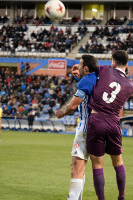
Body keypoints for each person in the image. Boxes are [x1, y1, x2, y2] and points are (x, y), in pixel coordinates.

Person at [86, 50, 133, 200]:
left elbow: (91, 67)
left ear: (113, 62)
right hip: (114, 122)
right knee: (118, 161)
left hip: (96, 119)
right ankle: (121, 196)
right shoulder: (131, 86)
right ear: (127, 64)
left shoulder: (105, 70)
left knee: (97, 164)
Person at [55, 55, 98, 200]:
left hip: (86, 127)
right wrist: (79, 75)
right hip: (100, 128)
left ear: (86, 68)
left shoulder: (86, 80)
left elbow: (73, 105)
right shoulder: (98, 77)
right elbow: (89, 84)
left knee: (76, 166)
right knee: (83, 167)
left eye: (80, 64)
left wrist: (62, 113)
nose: (77, 66)